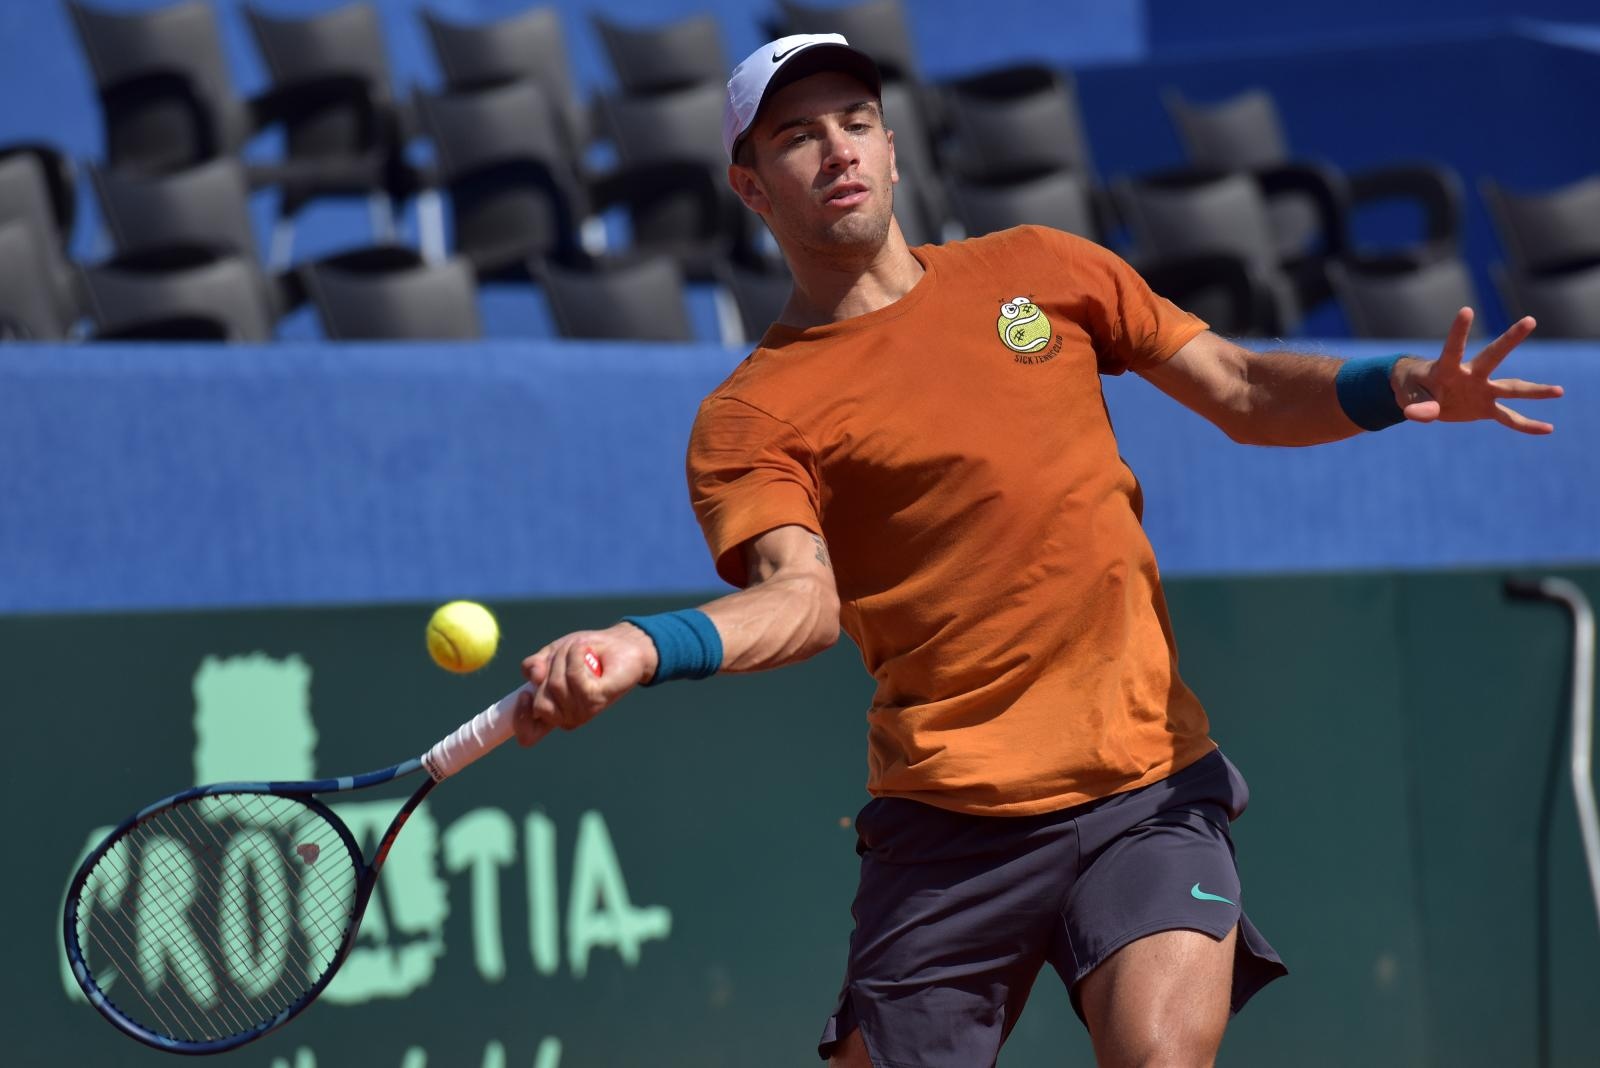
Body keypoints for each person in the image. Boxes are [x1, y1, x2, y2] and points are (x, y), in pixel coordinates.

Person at [511, 33, 1563, 1068]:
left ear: (889, 148)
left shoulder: (1041, 271)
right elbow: (800, 600)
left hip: (1145, 789)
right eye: (797, 136)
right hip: (947, 827)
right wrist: (647, 646)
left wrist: (1391, 388)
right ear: (751, 186)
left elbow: (1240, 389)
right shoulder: (751, 414)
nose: (836, 150)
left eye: (857, 123)